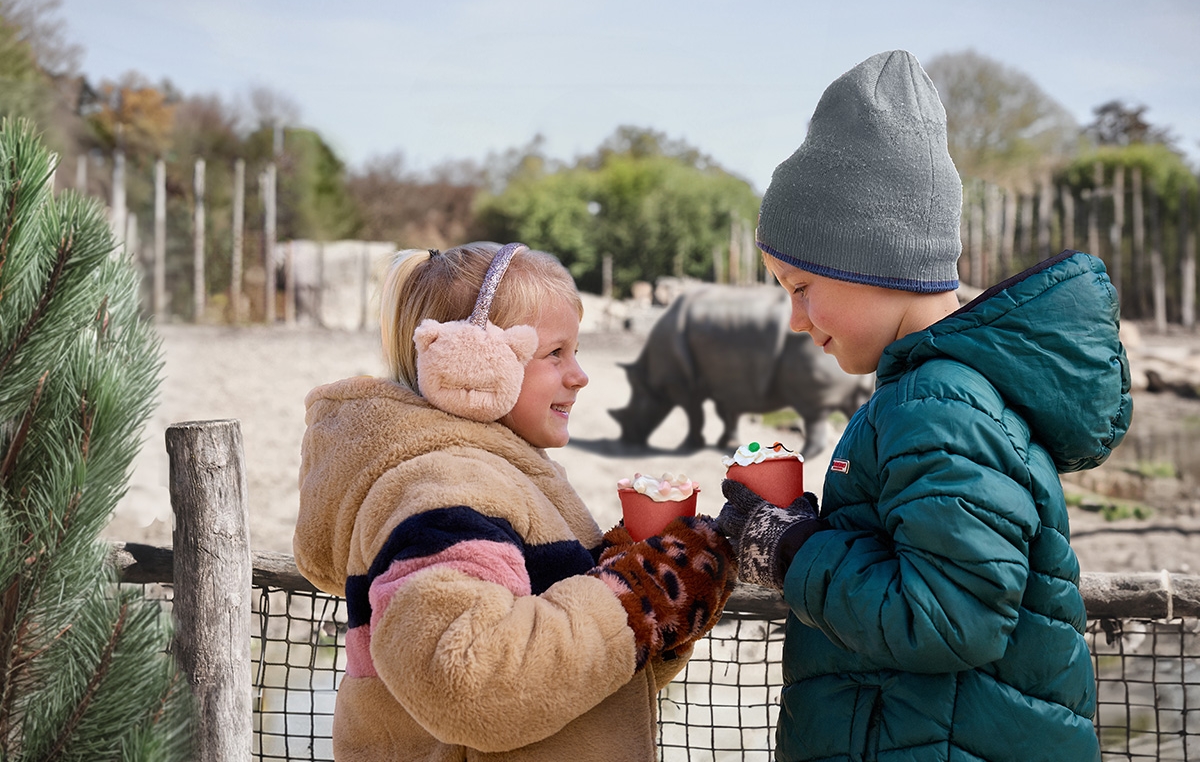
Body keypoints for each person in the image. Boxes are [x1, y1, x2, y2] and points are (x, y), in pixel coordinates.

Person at [716, 50, 1130, 761]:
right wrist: (808, 531)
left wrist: (788, 549)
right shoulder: (937, 395)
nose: (794, 319)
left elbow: (949, 618)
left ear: (871, 260)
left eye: (800, 285)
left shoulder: (937, 406)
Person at [294, 241, 736, 762]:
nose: (579, 375)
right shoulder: (447, 493)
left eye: (576, 351)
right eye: (554, 353)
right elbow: (470, 681)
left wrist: (658, 607)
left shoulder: (501, 478)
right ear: (471, 359)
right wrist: (634, 599)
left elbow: (564, 691)